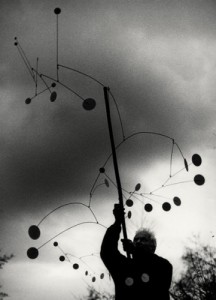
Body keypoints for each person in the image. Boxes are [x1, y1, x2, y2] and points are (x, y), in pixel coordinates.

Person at [100, 204, 173, 300]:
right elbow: (107, 252)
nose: (138, 242)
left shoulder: (163, 266)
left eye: (143, 240)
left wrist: (135, 251)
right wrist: (117, 223)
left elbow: (157, 285)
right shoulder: (124, 267)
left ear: (152, 246)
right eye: (136, 239)